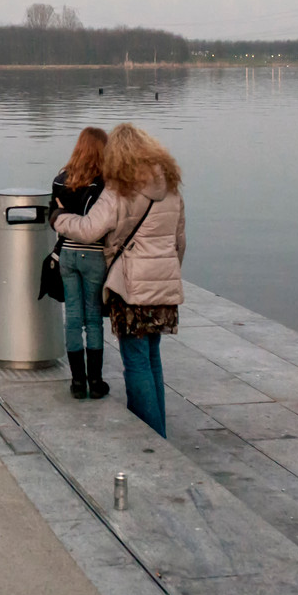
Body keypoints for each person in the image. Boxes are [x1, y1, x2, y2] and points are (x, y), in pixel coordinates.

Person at [50, 123, 185, 438]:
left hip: (131, 286)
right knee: (152, 358)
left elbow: (89, 230)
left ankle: (151, 435)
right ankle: (158, 427)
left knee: (136, 361)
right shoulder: (171, 188)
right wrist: (166, 273)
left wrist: (59, 219)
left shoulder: (119, 190)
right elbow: (179, 242)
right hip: (163, 286)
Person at [49, 127, 110, 401]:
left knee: (72, 317)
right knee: (93, 318)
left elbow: (54, 211)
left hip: (67, 254)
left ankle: (76, 382)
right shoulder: (103, 183)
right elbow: (100, 225)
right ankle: (95, 382)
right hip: (94, 253)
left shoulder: (60, 179)